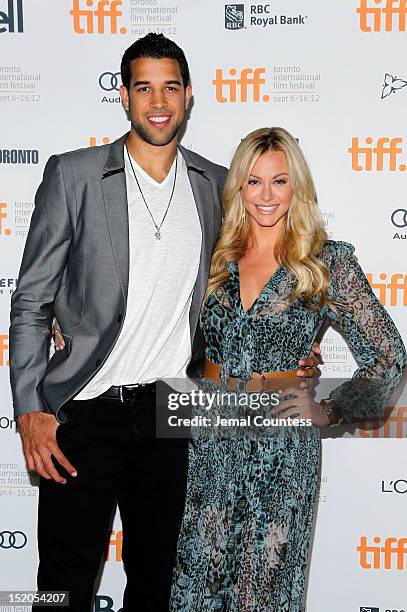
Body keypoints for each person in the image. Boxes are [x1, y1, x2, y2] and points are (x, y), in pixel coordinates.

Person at [8, 37, 319, 612]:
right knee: (59, 586)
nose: (158, 101)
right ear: (123, 96)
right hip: (83, 412)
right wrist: (30, 408)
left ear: (189, 96)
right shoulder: (72, 176)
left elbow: (257, 278)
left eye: (170, 87)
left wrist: (291, 353)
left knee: (157, 586)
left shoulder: (216, 185)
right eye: (144, 87)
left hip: (173, 418)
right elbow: (30, 302)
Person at [170, 127, 407, 612]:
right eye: (253, 181)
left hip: (281, 445)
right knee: (194, 584)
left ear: (296, 186)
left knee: (265, 587)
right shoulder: (211, 251)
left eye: (279, 181)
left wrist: (329, 410)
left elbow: (389, 357)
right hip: (207, 434)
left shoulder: (325, 261)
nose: (266, 195)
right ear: (238, 185)